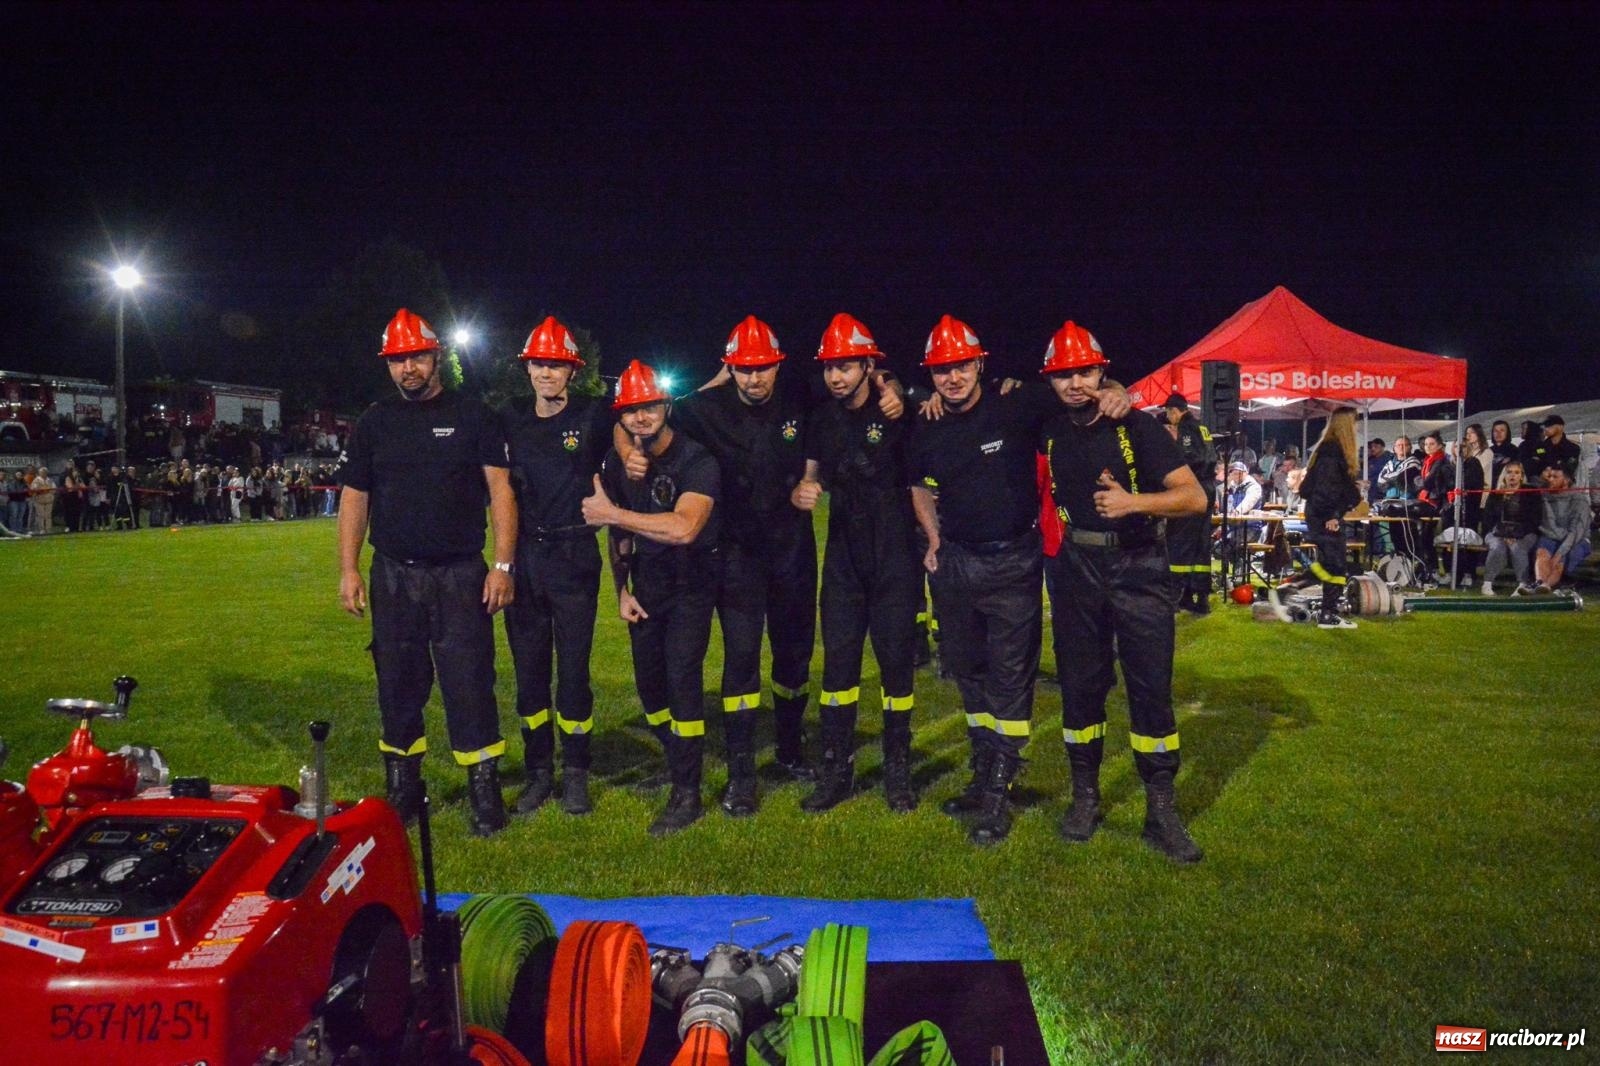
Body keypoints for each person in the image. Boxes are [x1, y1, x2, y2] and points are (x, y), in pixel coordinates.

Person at [907, 315, 1129, 846]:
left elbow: (1085, 395)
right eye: (942, 369)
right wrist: (933, 537)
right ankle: (982, 772)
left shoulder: (1019, 402)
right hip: (956, 562)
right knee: (968, 670)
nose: (952, 378)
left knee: (1010, 676)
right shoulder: (928, 422)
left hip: (1012, 562)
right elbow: (917, 484)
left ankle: (1000, 792)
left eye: (961, 365)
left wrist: (1118, 390)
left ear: (980, 363)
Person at [337, 308, 517, 838]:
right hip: (394, 574)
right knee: (397, 683)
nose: (407, 368)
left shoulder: (475, 415)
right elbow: (355, 496)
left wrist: (503, 564)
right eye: (397, 360)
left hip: (460, 574)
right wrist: (348, 568)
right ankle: (404, 788)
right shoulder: (374, 422)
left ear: (437, 355)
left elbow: (500, 491)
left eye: (416, 356)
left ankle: (483, 788)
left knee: (469, 683)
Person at [1038, 321, 1209, 863]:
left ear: (1102, 371)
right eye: (1063, 375)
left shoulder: (1136, 426)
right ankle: (1085, 797)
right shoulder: (1044, 425)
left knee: (1150, 689)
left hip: (1139, 566)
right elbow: (977, 401)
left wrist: (1135, 504)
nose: (1075, 384)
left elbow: (1194, 497)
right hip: (1075, 569)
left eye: (1085, 372)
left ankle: (1161, 810)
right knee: (1081, 687)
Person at [584, 360, 720, 835]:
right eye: (631, 410)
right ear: (620, 417)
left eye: (648, 406)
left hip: (691, 587)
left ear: (665, 405)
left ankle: (689, 793)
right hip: (646, 588)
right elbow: (617, 537)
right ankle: (673, 759)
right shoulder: (619, 464)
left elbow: (684, 528)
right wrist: (621, 590)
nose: (641, 417)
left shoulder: (697, 459)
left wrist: (613, 513)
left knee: (683, 682)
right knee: (651, 689)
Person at [790, 314, 919, 813]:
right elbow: (810, 474)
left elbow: (929, 404)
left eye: (846, 365)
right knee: (838, 669)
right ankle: (834, 770)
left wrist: (899, 390)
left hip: (895, 558)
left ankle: (897, 772)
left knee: (896, 672)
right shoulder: (821, 418)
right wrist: (806, 488)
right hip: (843, 560)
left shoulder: (898, 412)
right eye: (830, 367)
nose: (836, 375)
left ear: (869, 365)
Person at [499, 317, 610, 816]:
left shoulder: (595, 414)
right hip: (524, 558)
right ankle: (538, 772)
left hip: (574, 557)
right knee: (528, 675)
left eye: (556, 365)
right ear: (529, 369)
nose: (546, 373)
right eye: (539, 364)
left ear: (572, 371)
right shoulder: (509, 417)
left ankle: (577, 772)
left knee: (573, 673)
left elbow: (662, 415)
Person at [1270, 409, 1362, 629]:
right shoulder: (1333, 452)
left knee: (1330, 565)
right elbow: (1327, 488)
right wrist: (1334, 515)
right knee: (1335, 565)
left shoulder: (1326, 449)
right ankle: (1294, 593)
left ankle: (1325, 613)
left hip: (1320, 512)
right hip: (1325, 514)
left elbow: (1320, 487)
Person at [1161, 393, 1216, 615]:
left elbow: (1190, 457)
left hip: (1193, 488)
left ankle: (1172, 598)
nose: (1168, 418)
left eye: (1168, 413)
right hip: (1208, 488)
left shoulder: (1186, 428)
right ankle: (1198, 598)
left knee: (1179, 540)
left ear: (1175, 410)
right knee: (1201, 543)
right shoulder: (1202, 427)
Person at [1530, 463, 1591, 593]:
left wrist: (1558, 554)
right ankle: (1539, 583)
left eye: (1555, 477)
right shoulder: (1545, 495)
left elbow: (1576, 532)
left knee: (1560, 560)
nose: (1551, 479)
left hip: (1576, 539)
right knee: (1542, 553)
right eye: (1550, 476)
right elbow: (1531, 482)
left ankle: (1547, 585)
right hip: (1551, 535)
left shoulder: (1579, 500)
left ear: (1567, 480)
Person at [1480, 462, 1538, 594]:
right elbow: (1488, 520)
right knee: (1497, 546)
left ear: (1522, 476)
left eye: (1517, 473)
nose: (1513, 475)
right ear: (1504, 475)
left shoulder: (1531, 493)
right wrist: (1504, 534)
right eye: (1509, 472)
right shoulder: (1495, 494)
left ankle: (1522, 584)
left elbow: (1534, 519)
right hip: (1497, 532)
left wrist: (1515, 534)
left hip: (1524, 533)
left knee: (1517, 546)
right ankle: (1487, 583)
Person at [1526, 414, 1581, 482]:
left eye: (1549, 425)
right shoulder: (1540, 447)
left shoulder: (1572, 448)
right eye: (1545, 426)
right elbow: (1534, 464)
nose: (1546, 428)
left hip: (1564, 486)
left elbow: (1569, 469)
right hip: (1543, 484)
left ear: (1561, 427)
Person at [29, 466, 55, 534]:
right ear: (39, 473)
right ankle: (42, 529)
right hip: (39, 499)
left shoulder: (50, 480)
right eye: (41, 472)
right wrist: (42, 489)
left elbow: (54, 489)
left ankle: (48, 529)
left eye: (44, 472)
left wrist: (50, 492)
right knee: (41, 515)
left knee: (48, 515)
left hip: (49, 499)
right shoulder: (36, 480)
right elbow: (33, 489)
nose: (43, 473)